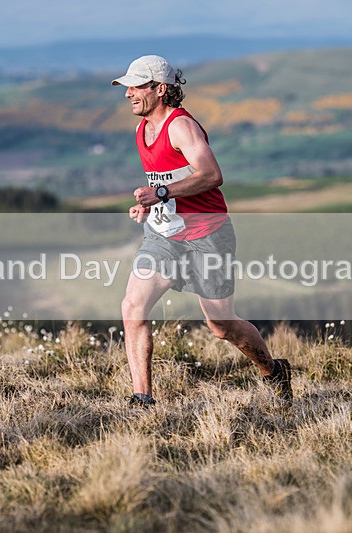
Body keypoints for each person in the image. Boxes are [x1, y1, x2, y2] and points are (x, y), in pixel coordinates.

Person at [111, 55, 292, 407]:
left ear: (160, 88)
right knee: (132, 307)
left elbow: (211, 175)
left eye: (137, 85)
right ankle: (142, 398)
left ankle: (272, 370)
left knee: (221, 326)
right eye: (127, 87)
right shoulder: (142, 130)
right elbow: (170, 181)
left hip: (208, 235)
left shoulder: (180, 126)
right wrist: (150, 203)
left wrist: (160, 193)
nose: (129, 93)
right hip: (164, 236)